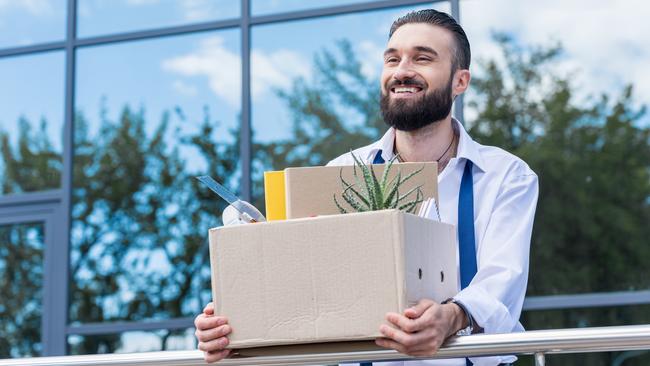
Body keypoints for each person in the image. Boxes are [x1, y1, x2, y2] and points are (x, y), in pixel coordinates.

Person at [194, 9, 538, 366]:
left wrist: (452, 316)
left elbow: (502, 283)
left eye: (423, 58)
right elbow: (305, 294)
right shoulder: (340, 172)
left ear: (460, 81)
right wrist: (232, 327)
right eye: (392, 59)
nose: (402, 70)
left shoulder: (505, 176)